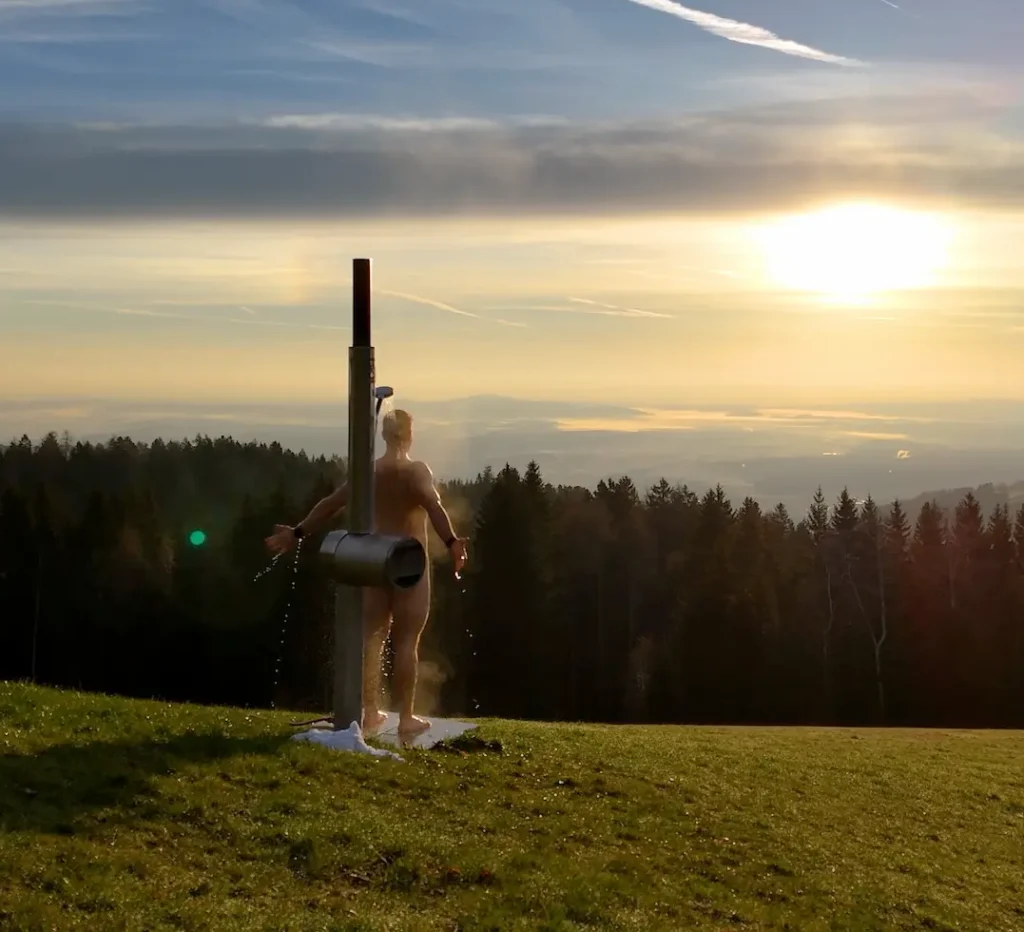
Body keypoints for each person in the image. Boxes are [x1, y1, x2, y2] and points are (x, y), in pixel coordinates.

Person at [265, 409, 468, 738]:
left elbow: (330, 504)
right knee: (406, 641)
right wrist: (453, 542)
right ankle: (406, 718)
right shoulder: (416, 471)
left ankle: (370, 711)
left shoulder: (369, 473)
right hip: (408, 560)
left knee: (372, 640)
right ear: (409, 434)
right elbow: (434, 507)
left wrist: (297, 532)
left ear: (385, 436)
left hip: (374, 558)